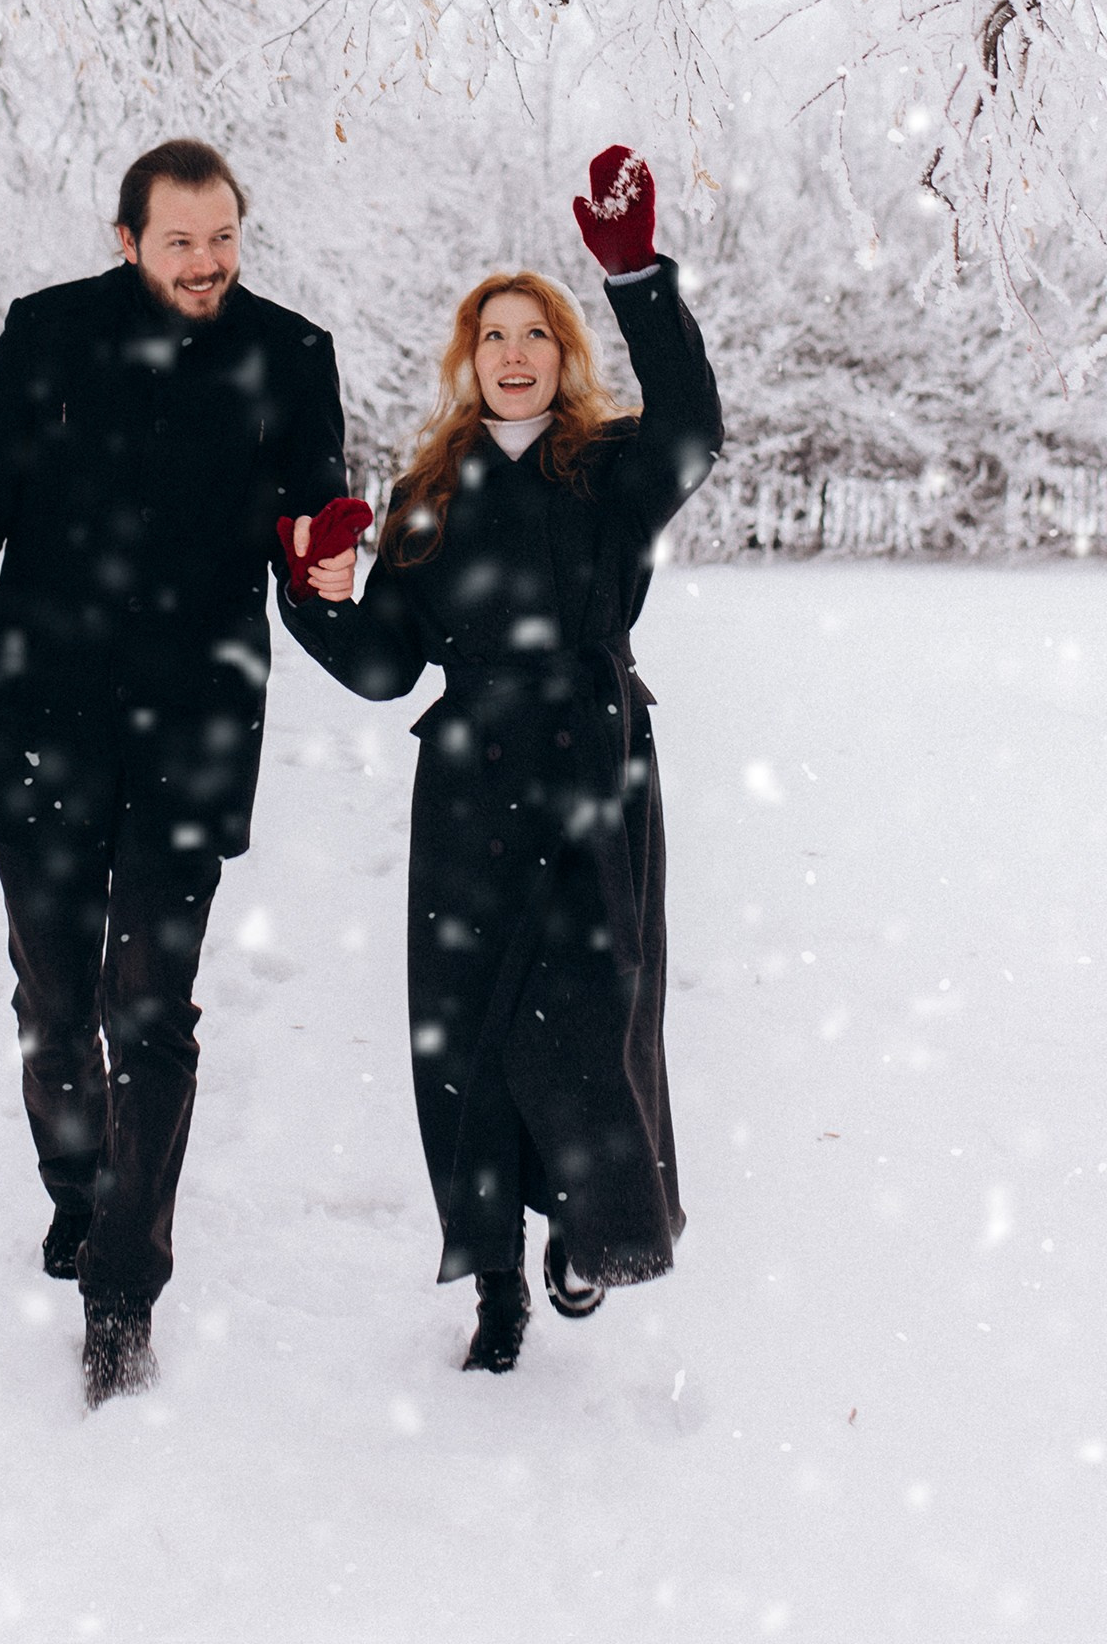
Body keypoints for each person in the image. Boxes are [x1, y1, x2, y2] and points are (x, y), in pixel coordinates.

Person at [0, 138, 348, 1406]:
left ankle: (121, 1288)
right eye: (180, 244)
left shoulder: (291, 353)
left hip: (194, 727)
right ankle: (78, 1188)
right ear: (125, 239)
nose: (207, 266)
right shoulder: (46, 335)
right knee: (54, 1011)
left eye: (223, 241)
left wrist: (334, 577)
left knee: (148, 1012)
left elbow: (309, 518)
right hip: (46, 710)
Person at [277, 148, 722, 1373]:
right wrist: (314, 593)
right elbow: (383, 663)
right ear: (466, 361)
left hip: (590, 767)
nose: (512, 354)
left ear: (563, 356)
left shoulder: (611, 469)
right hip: (469, 782)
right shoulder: (431, 494)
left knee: (589, 1018)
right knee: (466, 1039)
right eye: (491, 338)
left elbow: (695, 424)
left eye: (533, 334)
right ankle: (495, 1289)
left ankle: (592, 1233)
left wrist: (634, 278)